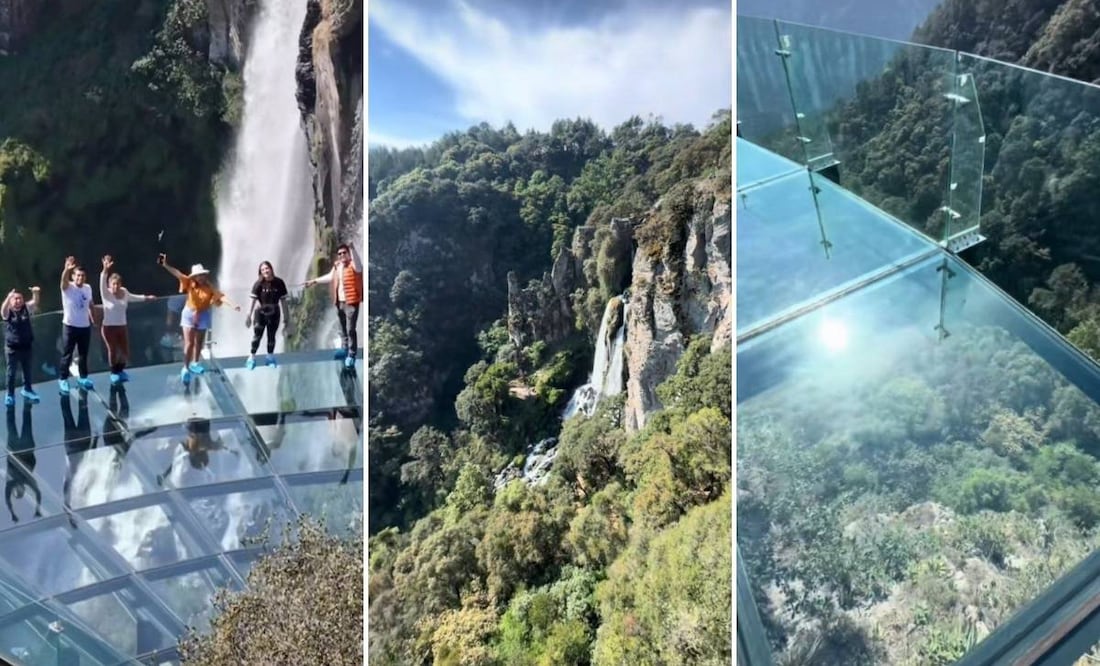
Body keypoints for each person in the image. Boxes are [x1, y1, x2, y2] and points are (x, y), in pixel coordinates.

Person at [157, 255, 240, 384]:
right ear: (194, 276)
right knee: (189, 343)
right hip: (190, 314)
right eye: (198, 275)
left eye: (202, 275)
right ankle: (185, 367)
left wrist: (233, 305)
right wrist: (165, 265)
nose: (201, 277)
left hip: (203, 314)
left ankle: (195, 363)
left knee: (199, 342)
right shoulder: (189, 283)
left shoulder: (209, 287)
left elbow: (221, 297)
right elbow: (177, 274)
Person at [99, 255, 156, 385]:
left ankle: (120, 370)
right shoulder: (106, 293)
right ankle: (113, 372)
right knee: (112, 349)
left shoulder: (124, 292)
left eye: (118, 284)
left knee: (125, 350)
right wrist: (105, 269)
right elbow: (102, 280)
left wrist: (147, 298)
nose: (116, 286)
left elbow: (133, 297)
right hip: (108, 327)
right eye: (113, 284)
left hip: (121, 326)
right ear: (109, 285)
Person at [304, 243, 362, 369]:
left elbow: (359, 267)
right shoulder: (337, 266)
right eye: (340, 253)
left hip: (351, 302)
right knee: (343, 328)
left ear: (348, 253)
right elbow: (330, 277)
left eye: (344, 252)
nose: (342, 255)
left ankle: (352, 354)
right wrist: (314, 281)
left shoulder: (353, 265)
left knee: (351, 329)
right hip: (340, 302)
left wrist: (353, 249)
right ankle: (344, 348)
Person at [59, 256, 95, 394]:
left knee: (83, 354)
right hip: (70, 326)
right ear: (73, 277)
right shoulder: (68, 287)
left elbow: (90, 304)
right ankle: (63, 379)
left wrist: (93, 316)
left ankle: (83, 378)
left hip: (84, 326)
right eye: (78, 275)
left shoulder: (87, 288)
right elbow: (63, 281)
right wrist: (66, 270)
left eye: (82, 275)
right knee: (67, 354)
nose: (80, 278)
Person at [245, 260, 291, 370]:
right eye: (263, 269)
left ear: (271, 269)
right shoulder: (258, 284)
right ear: (260, 272)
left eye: (267, 268)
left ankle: (270, 357)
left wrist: (287, 317)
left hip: (274, 312)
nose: (265, 271)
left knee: (271, 336)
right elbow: (253, 301)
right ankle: (251, 357)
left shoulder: (279, 282)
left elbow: (284, 301)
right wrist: (248, 316)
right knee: (257, 336)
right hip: (260, 313)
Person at [1, 287, 41, 406]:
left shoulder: (26, 309)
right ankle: (10, 395)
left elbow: (35, 302)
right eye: (15, 299)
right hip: (12, 348)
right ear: (11, 301)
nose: (18, 301)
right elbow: (2, 310)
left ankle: (27, 389)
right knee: (11, 373)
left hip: (26, 345)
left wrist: (35, 292)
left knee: (27, 370)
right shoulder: (8, 312)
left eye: (20, 298)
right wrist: (8, 297)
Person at [5, 401, 41, 523]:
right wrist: (37, 509)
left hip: (15, 449)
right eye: (19, 491)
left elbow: (7, 500)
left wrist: (12, 514)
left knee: (11, 425)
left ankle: (10, 403)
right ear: (23, 489)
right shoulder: (27, 481)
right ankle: (26, 404)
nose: (18, 488)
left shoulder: (10, 484)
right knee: (26, 423)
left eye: (16, 490)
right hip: (26, 449)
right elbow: (38, 493)